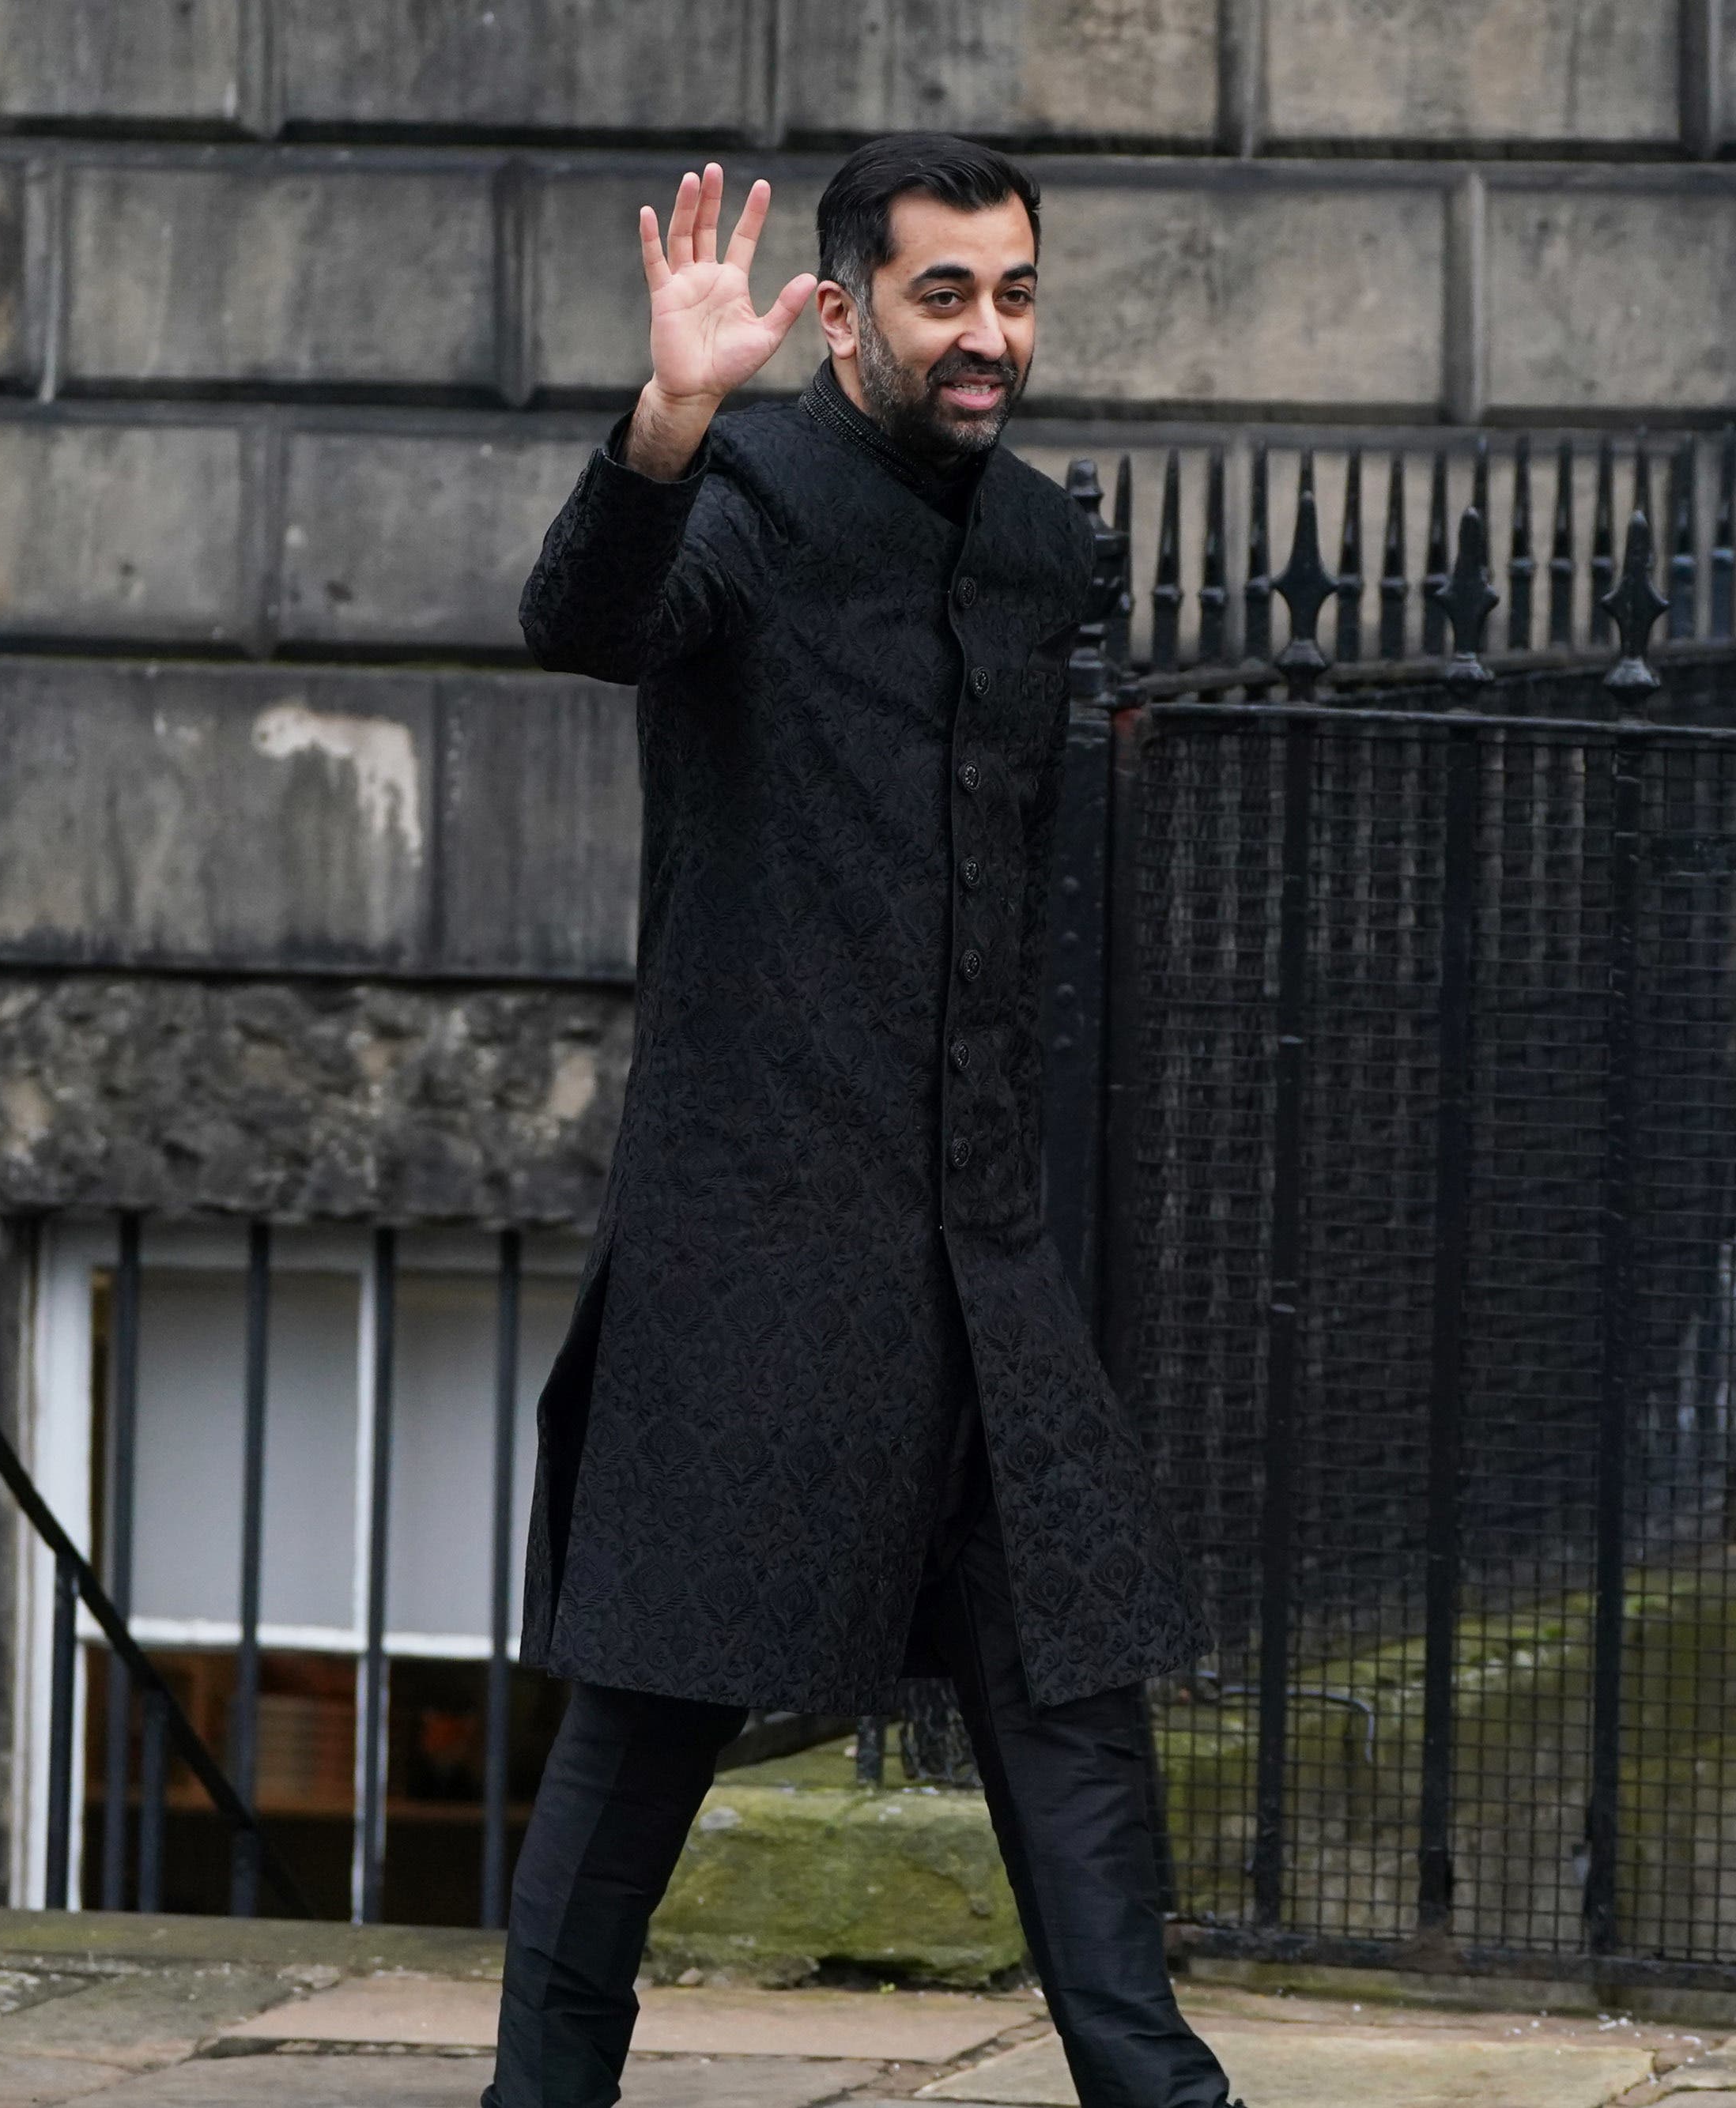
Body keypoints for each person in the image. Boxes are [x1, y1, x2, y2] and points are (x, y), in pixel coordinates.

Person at [502, 134, 1239, 2108]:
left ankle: (1160, 2093)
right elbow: (584, 616)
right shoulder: (742, 493)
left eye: (1012, 292)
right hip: (760, 1221)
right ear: (840, 311)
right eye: (944, 295)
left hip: (973, 1231)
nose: (988, 332)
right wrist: (664, 421)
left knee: (1067, 1684)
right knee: (651, 1697)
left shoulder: (1030, 548)